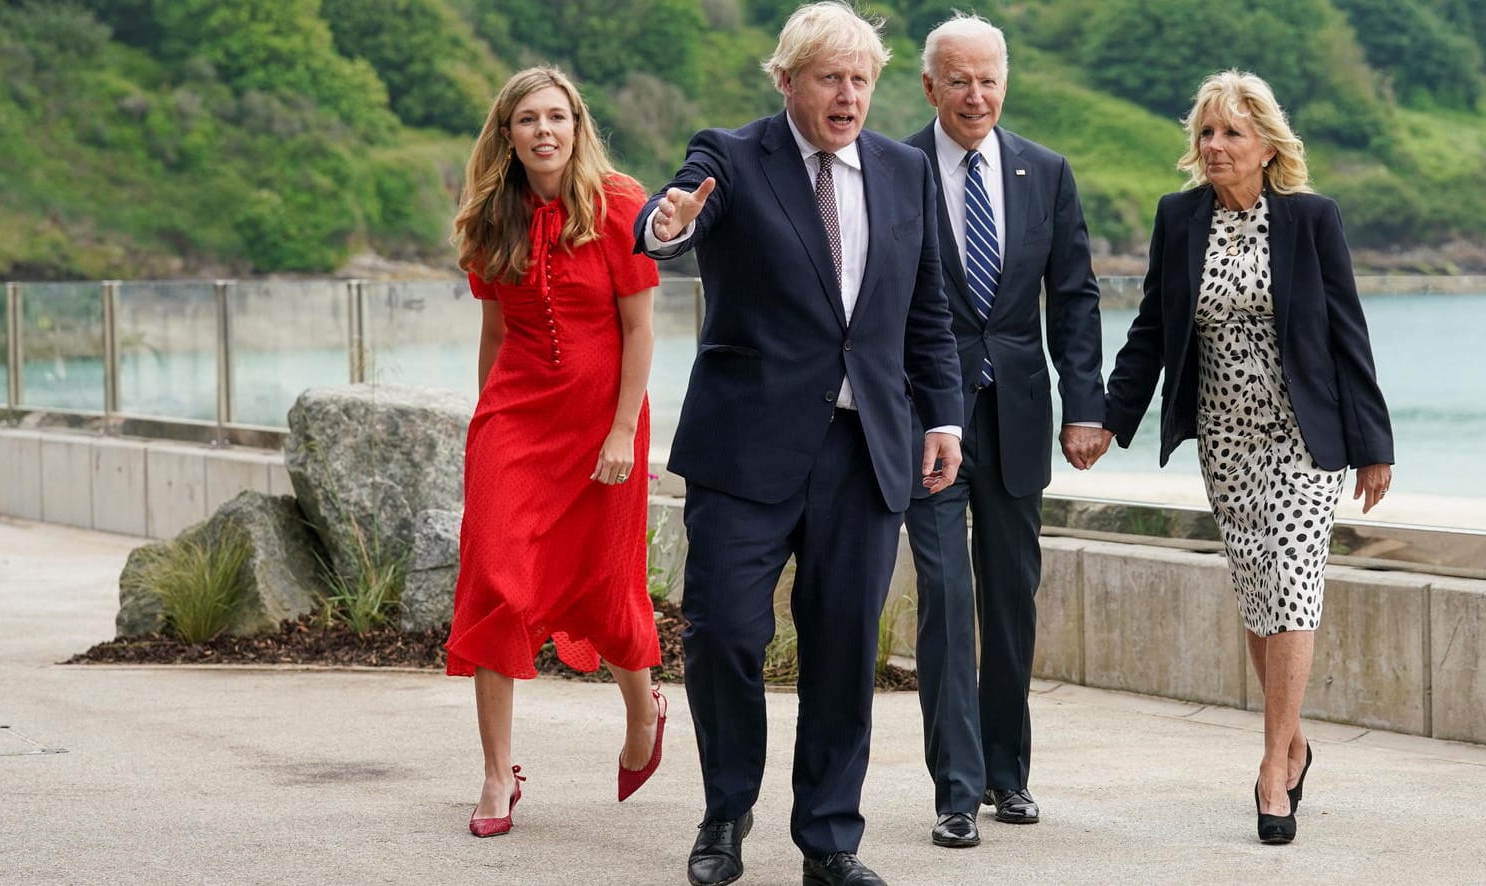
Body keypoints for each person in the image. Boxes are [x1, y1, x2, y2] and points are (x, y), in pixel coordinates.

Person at [634, 3, 964, 883]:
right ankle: (726, 814)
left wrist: (941, 418)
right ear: (786, 81)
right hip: (746, 451)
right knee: (726, 637)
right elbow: (672, 220)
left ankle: (829, 843)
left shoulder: (903, 172)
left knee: (844, 651)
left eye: (860, 79)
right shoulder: (733, 156)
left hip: (866, 453)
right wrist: (666, 225)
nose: (847, 94)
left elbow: (926, 310)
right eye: (828, 77)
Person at [1096, 70, 1394, 845]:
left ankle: (1270, 768)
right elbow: (1151, 332)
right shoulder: (1178, 218)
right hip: (1224, 439)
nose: (1214, 146)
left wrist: (1372, 444)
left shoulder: (1309, 219)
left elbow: (1346, 336)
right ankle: (1294, 742)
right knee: (1257, 592)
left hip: (1303, 438)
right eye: (1205, 133)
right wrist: (1107, 419)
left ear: (1266, 144)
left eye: (1230, 132)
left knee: (1293, 582)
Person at [900, 13, 1111, 850]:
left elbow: (1076, 293)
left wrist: (1085, 404)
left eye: (988, 79)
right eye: (957, 80)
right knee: (948, 600)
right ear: (929, 87)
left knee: (1011, 600)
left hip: (1020, 411)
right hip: (927, 416)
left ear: (1005, 82)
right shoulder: (895, 166)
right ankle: (954, 790)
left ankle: (1005, 775)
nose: (974, 95)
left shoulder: (1045, 170)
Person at [444, 66, 668, 839]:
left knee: (603, 585)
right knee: (494, 585)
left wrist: (620, 431)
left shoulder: (619, 207)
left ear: (577, 126)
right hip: (515, 423)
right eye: (528, 119)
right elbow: (495, 335)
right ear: (505, 135)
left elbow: (640, 330)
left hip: (604, 425)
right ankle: (495, 773)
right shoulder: (489, 218)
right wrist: (485, 428)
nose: (544, 131)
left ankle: (644, 709)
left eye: (557, 117)